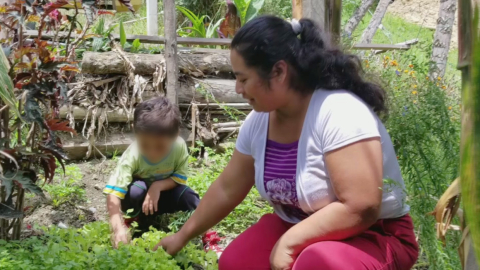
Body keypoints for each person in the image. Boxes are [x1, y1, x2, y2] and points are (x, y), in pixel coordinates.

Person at [155, 16, 419, 270]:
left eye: (243, 78)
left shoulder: (339, 113)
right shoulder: (258, 123)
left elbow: (361, 207)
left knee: (316, 265)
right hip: (301, 227)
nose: (238, 88)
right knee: (237, 262)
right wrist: (182, 237)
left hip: (376, 235)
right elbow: (227, 188)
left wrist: (291, 242)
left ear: (279, 71)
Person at [104, 97, 200, 248]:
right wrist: (117, 227)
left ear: (175, 136)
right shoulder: (133, 154)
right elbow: (114, 193)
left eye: (160, 147)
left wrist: (157, 186)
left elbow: (179, 179)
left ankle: (208, 236)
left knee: (189, 196)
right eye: (144, 145)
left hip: (162, 199)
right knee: (136, 189)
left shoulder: (179, 147)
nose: (152, 153)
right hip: (139, 200)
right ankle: (132, 222)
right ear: (135, 132)